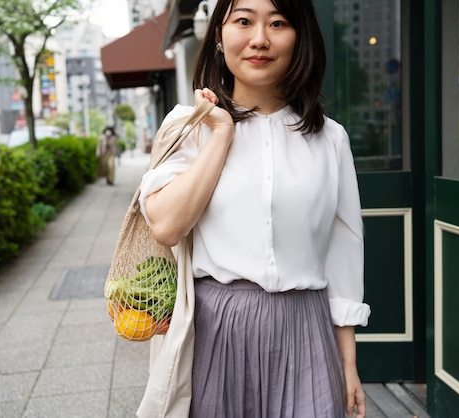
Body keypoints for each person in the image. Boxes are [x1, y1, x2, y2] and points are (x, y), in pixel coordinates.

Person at [139, 0, 371, 416]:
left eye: (278, 23)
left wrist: (348, 364)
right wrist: (222, 133)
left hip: (307, 329)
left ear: (300, 39)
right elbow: (166, 226)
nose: (259, 39)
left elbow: (344, 250)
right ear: (218, 36)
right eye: (243, 21)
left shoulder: (329, 139)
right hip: (218, 329)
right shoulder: (188, 127)